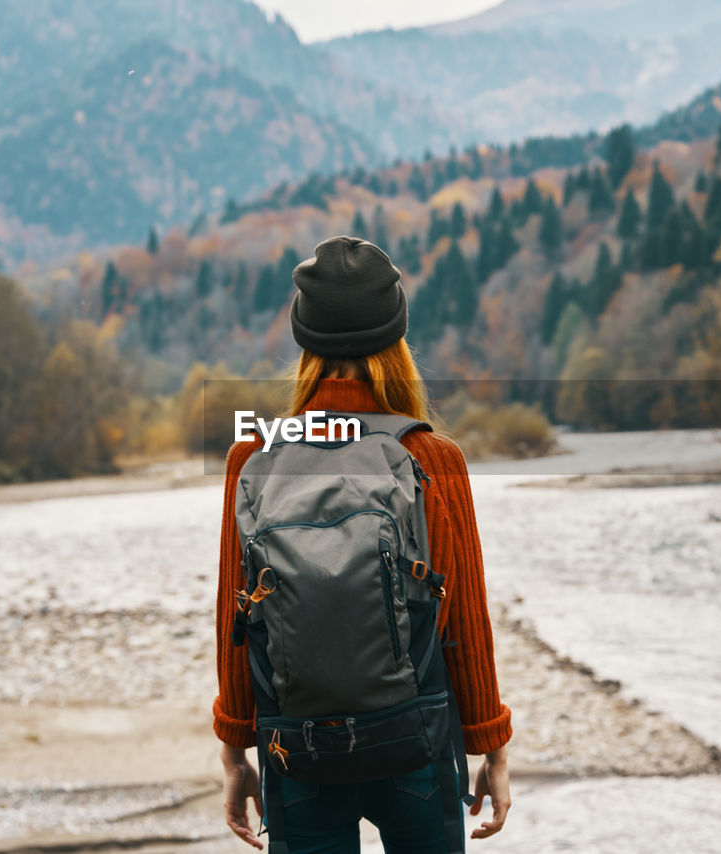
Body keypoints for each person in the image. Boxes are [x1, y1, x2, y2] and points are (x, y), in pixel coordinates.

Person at [213, 235, 512, 853]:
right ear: (396, 341)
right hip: (416, 738)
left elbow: (236, 618)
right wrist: (489, 745)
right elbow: (463, 620)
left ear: (305, 343)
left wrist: (235, 750)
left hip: (294, 747)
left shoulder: (253, 459)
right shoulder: (430, 457)